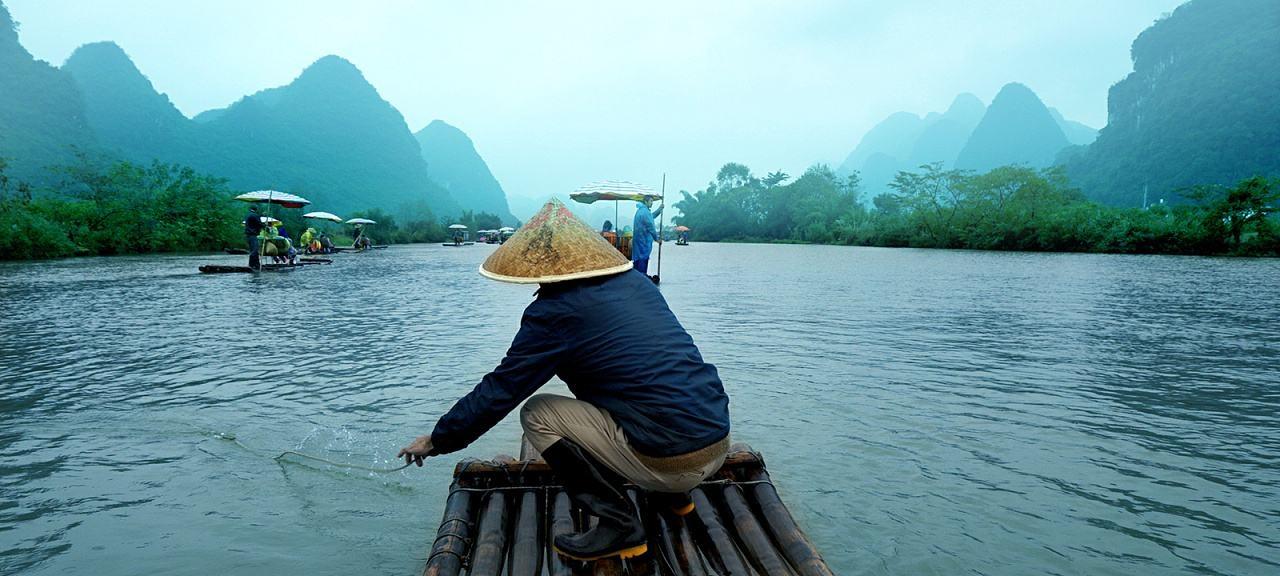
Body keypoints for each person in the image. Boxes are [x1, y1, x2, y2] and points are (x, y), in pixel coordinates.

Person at [398, 199, 730, 562]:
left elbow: (502, 389)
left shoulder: (555, 313)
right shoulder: (637, 284)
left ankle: (621, 524)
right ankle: (674, 498)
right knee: (628, 381)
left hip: (672, 462)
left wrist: (438, 438)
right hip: (716, 439)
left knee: (538, 412)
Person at [631, 197, 662, 275]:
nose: (652, 203)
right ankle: (642, 280)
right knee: (643, 262)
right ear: (646, 201)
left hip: (638, 243)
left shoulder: (640, 211)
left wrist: (659, 209)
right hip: (643, 243)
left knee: (637, 262)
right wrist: (657, 239)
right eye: (651, 201)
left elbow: (652, 216)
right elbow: (651, 227)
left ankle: (637, 279)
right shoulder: (645, 212)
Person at [243, 205, 263, 270]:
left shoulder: (248, 215)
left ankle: (256, 265)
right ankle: (252, 265)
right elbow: (259, 223)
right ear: (256, 209)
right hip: (252, 234)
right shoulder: (254, 215)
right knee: (255, 250)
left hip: (248, 235)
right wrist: (265, 226)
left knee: (253, 250)